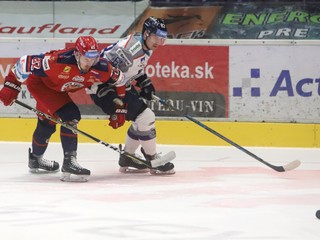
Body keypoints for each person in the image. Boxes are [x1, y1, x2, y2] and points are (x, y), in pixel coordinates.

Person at [0, 36, 125, 182]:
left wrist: (121, 106)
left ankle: (35, 159)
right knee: (71, 115)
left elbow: (120, 79)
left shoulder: (101, 67)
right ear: (77, 54)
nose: (90, 62)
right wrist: (11, 84)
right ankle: (69, 162)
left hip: (58, 90)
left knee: (47, 125)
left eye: (94, 57)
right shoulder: (58, 60)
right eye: (87, 57)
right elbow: (24, 62)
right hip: (40, 85)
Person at [89, 16, 175, 175]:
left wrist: (144, 81)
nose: (159, 42)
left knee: (140, 118)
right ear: (146, 34)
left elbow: (131, 69)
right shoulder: (129, 50)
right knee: (146, 116)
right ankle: (152, 159)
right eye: (156, 37)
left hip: (119, 85)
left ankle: (128, 157)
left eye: (162, 39)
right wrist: (109, 96)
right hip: (104, 90)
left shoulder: (144, 46)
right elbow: (98, 69)